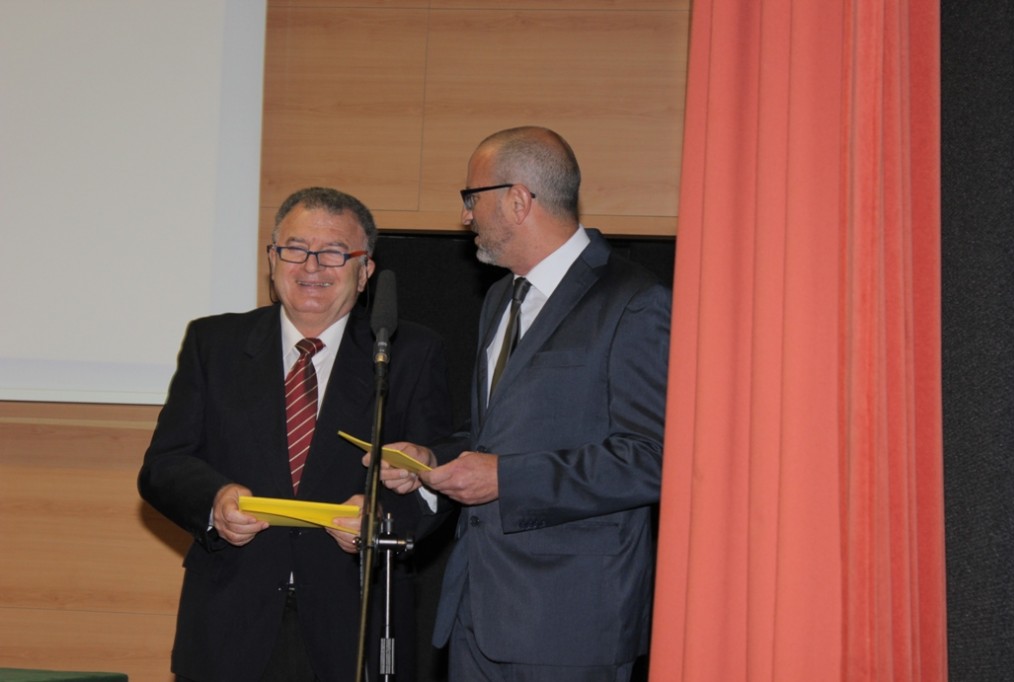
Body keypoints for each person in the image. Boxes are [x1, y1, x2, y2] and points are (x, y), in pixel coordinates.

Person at [376, 127, 671, 681]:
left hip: (570, 622)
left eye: (472, 198)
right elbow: (492, 435)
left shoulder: (632, 301)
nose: (466, 216)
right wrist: (435, 460)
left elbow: (651, 457)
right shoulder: (500, 298)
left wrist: (507, 480)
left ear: (518, 200)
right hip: (477, 612)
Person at [138, 187, 452, 682]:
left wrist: (380, 519)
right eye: (295, 249)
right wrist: (215, 500)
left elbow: (439, 478)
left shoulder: (408, 352)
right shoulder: (214, 343)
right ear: (271, 258)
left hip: (354, 620)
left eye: (332, 253)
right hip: (228, 620)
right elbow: (164, 465)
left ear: (365, 269)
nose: (311, 267)